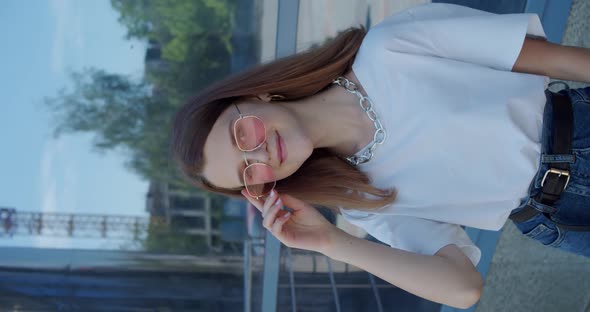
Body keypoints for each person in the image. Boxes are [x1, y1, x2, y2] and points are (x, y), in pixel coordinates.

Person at [170, 3, 590, 309]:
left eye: (243, 133)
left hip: (578, 129)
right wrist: (332, 243)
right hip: (562, 219)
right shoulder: (361, 201)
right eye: (249, 172)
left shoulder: (391, 47)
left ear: (255, 96)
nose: (260, 153)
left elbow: (562, 61)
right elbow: (463, 288)